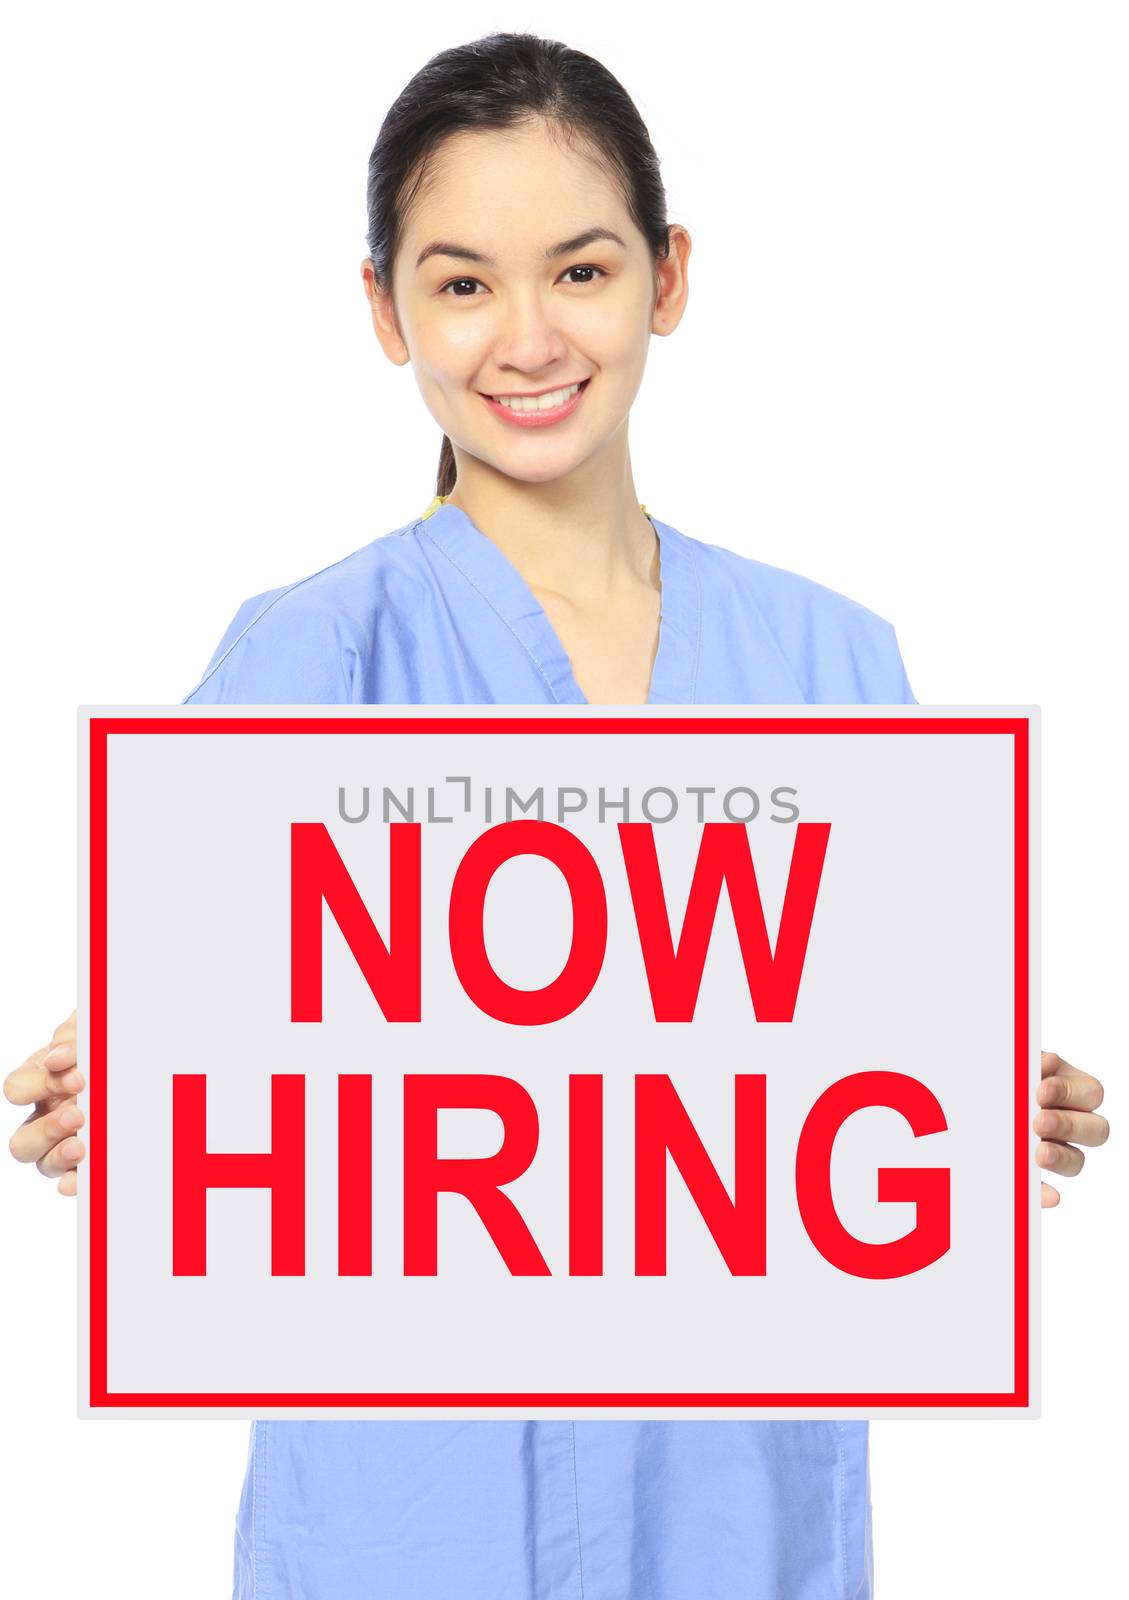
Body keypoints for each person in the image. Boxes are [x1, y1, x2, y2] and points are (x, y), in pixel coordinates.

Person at [5, 31, 1110, 1600]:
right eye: (460, 284)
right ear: (384, 311)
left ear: (666, 277)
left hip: (738, 1514)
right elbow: (230, 1080)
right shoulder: (307, 654)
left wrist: (971, 1103)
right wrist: (124, 1096)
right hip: (411, 1524)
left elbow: (833, 1096)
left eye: (579, 271)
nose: (525, 337)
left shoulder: (829, 661)